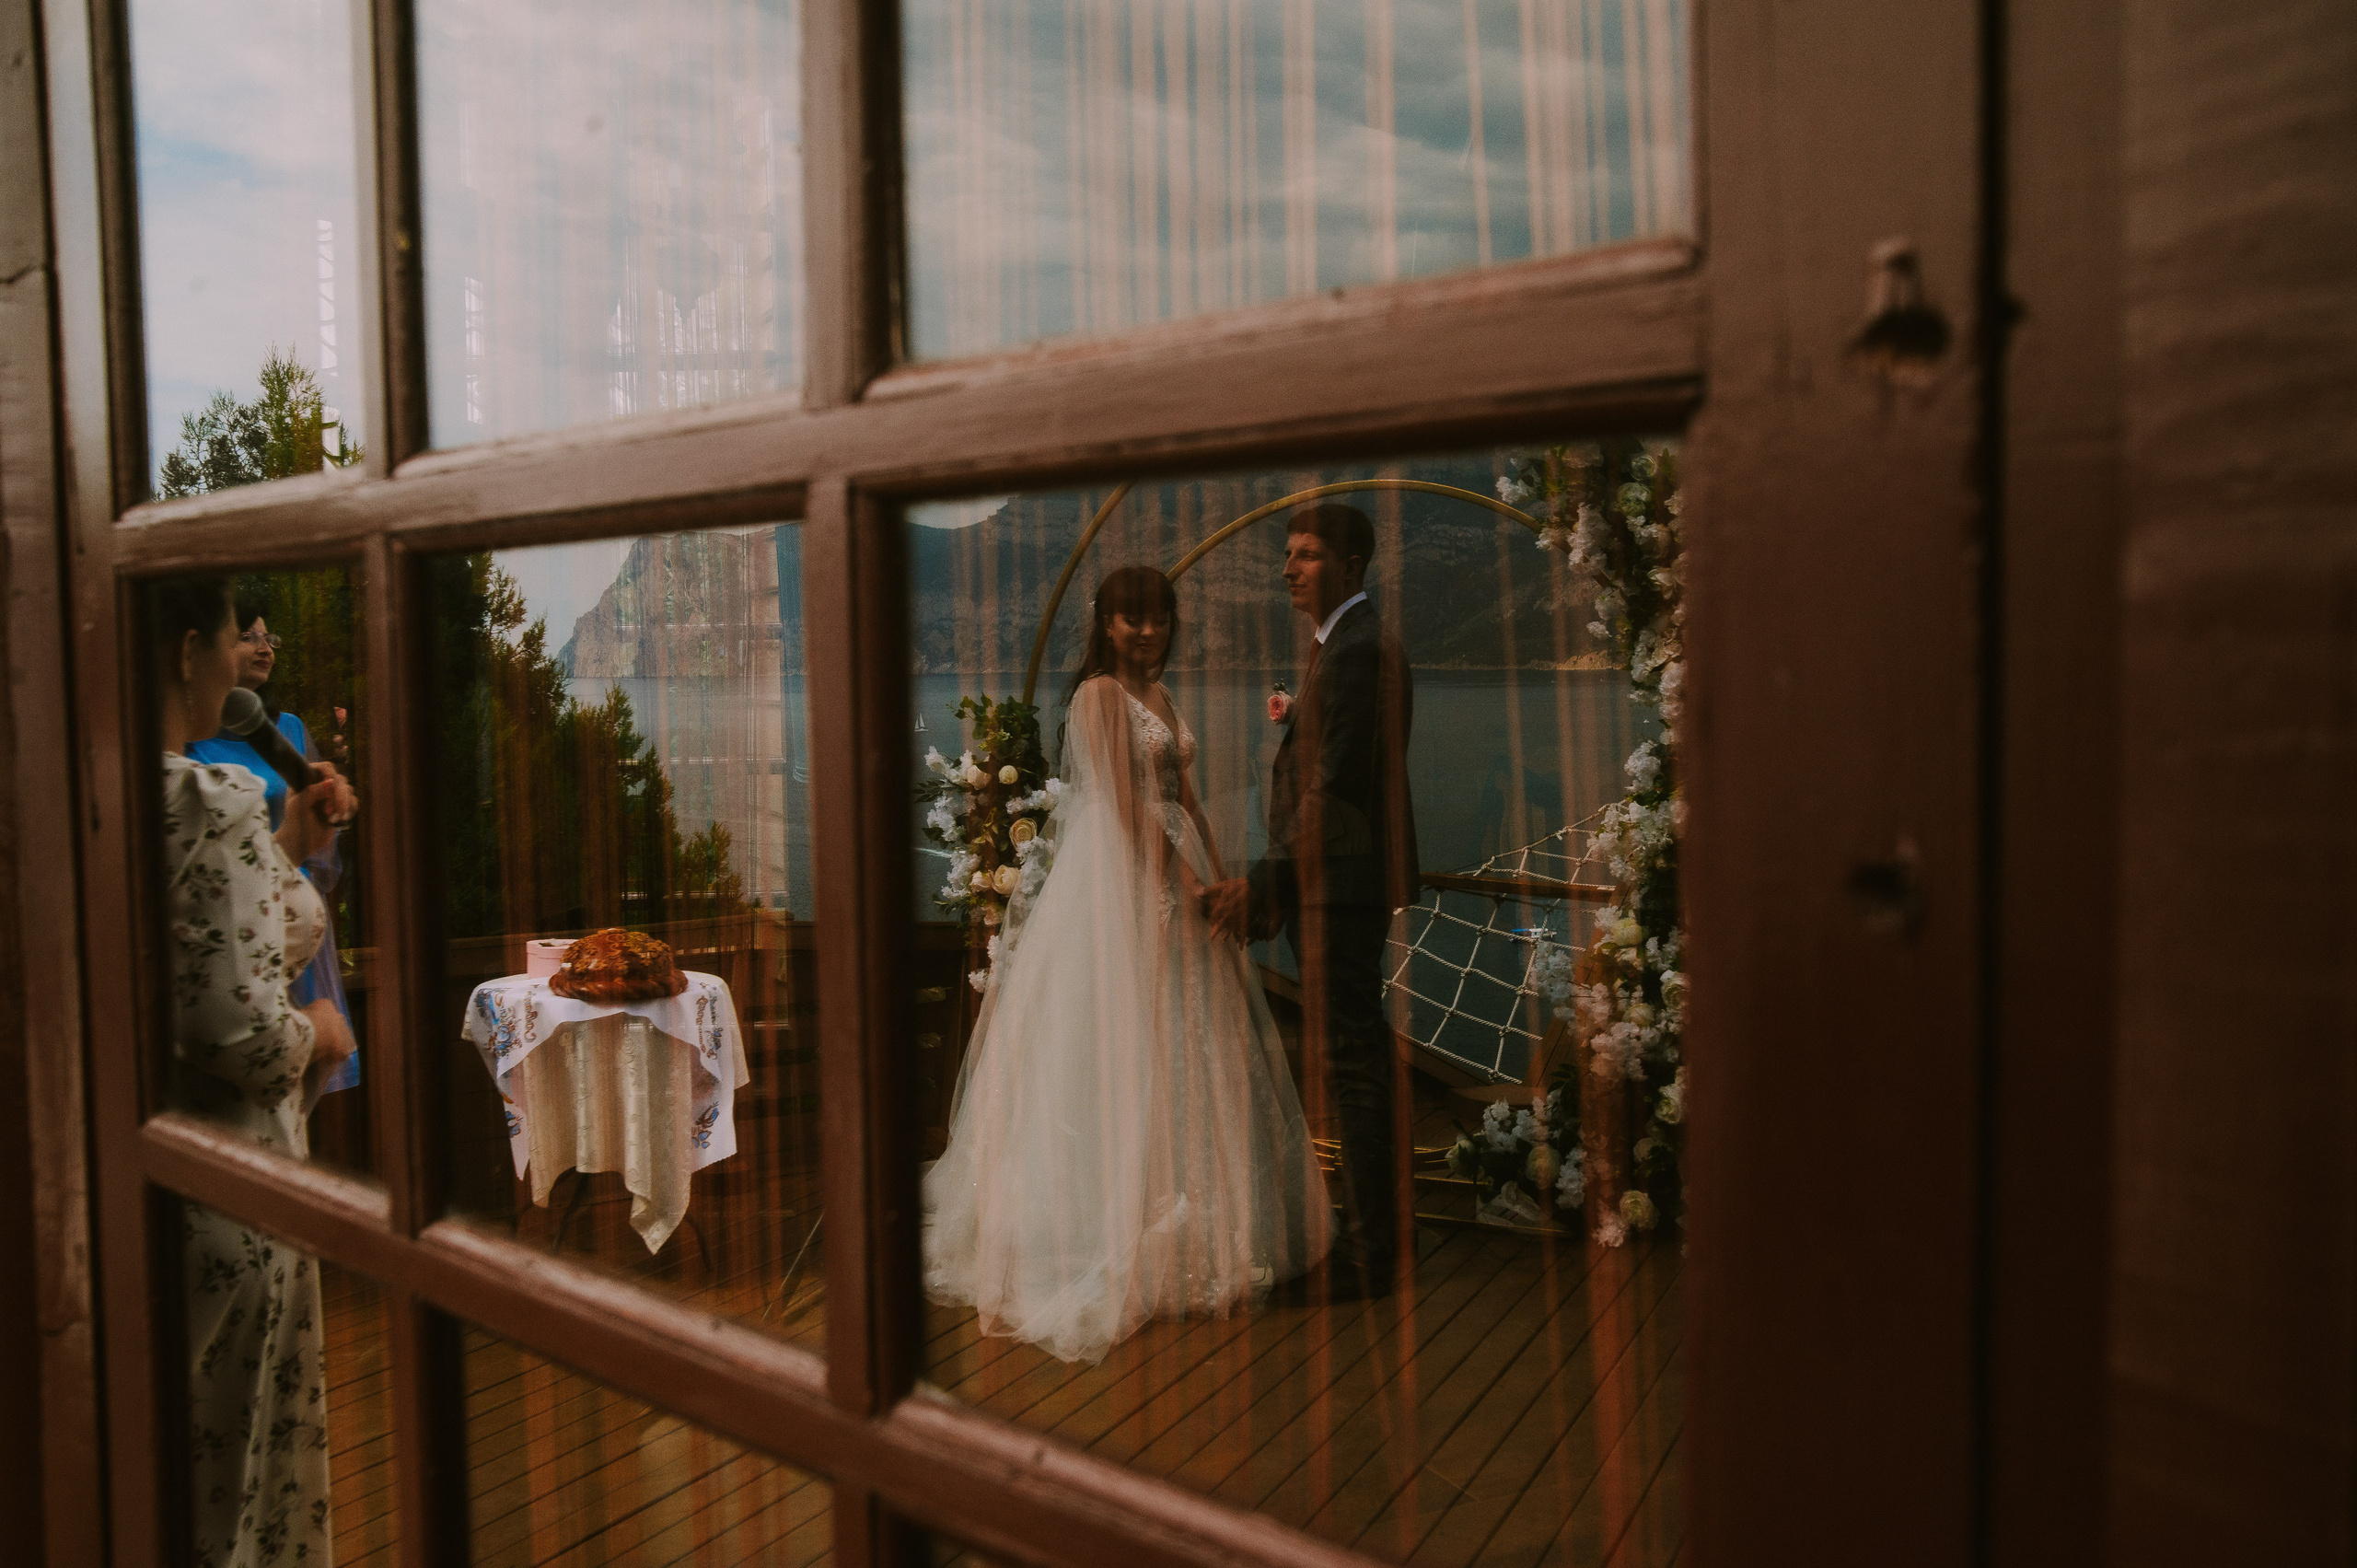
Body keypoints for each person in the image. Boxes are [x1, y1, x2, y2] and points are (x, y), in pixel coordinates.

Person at [923, 565, 1331, 1363]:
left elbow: (1185, 797)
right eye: (1131, 620)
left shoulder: (1163, 698)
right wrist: (1178, 885)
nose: (1147, 632)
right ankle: (1112, 1222)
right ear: (1105, 626)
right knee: (1120, 1037)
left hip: (1179, 865)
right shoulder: (1099, 697)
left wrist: (1222, 884)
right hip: (1123, 882)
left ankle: (1203, 1216)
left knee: (1187, 1041)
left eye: (1158, 619)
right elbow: (1119, 801)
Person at [154, 575, 358, 1567]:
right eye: (235, 636)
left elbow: (213, 943)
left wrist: (296, 842)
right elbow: (244, 1032)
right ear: (190, 648)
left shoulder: (110, 795)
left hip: (154, 1197)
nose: (242, 656)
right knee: (241, 1501)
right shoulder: (201, 798)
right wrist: (320, 1030)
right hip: (232, 1195)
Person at [1206, 505, 1421, 1302]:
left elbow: (1334, 791)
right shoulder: (1342, 648)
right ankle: (1381, 1240)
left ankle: (1370, 1259)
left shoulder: (1361, 651)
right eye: (1287, 555)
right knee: (1358, 1060)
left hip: (1342, 890)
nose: (1288, 569)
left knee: (1354, 1067)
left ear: (1353, 564)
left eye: (1307, 556)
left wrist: (1264, 880)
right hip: (1331, 884)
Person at [187, 594, 360, 1098]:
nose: (264, 648)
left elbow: (320, 836)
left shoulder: (288, 730)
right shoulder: (190, 747)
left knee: (316, 1080)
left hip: (293, 901)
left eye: (270, 638)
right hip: (233, 915)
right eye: (247, 636)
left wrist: (331, 812)